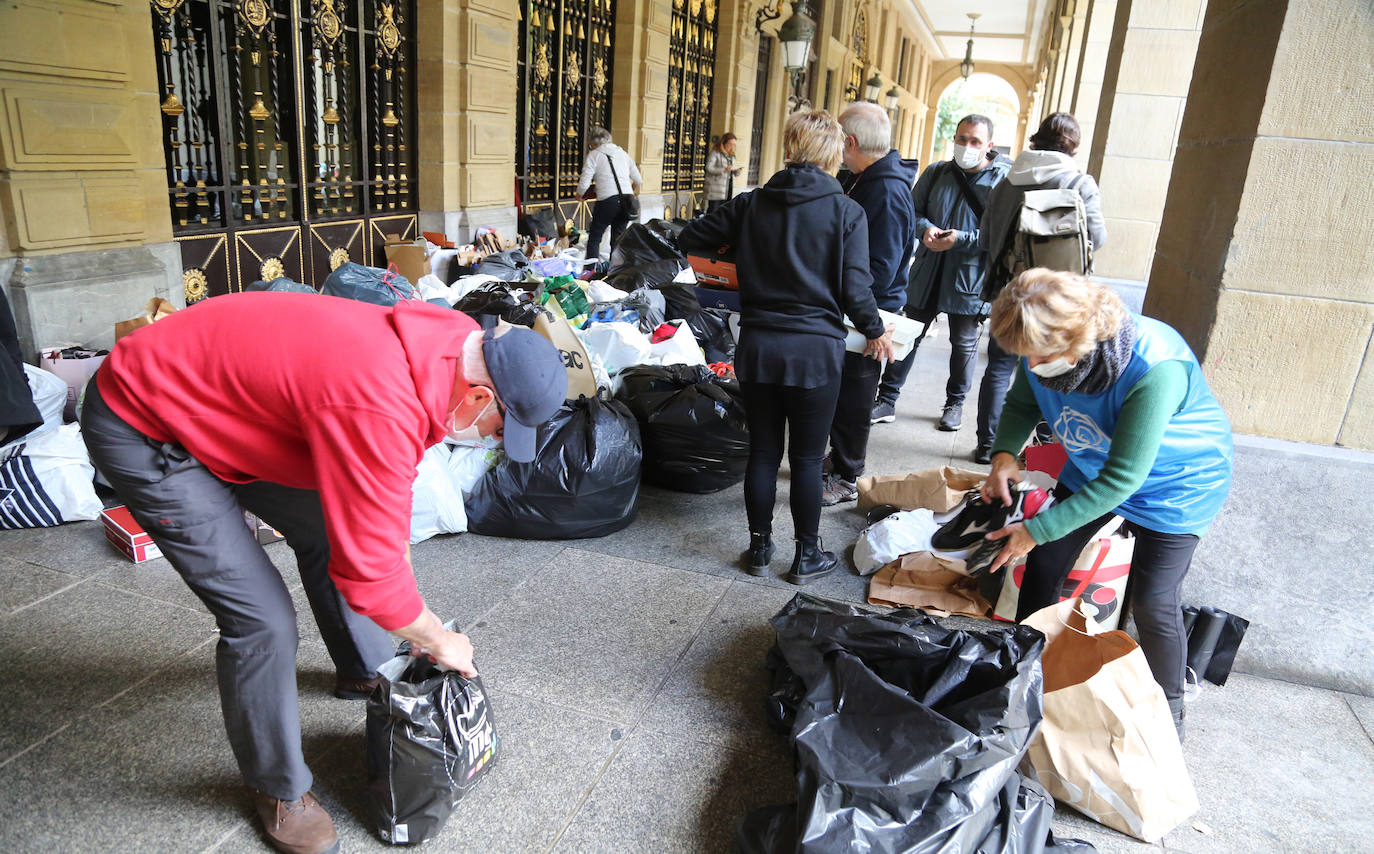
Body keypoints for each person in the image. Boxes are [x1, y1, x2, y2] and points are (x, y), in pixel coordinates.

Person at [80, 292, 567, 854]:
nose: (495, 442)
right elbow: (372, 572)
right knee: (262, 622)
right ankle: (278, 790)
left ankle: (364, 667)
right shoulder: (377, 401)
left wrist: (402, 600)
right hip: (146, 422)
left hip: (226, 408)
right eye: (502, 429)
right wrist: (438, 638)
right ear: (480, 394)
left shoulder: (451, 342)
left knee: (339, 532)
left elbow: (380, 517)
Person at [979, 269, 1232, 735]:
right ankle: (1023, 672)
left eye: (1041, 355)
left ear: (1080, 336)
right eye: (1024, 355)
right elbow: (1020, 404)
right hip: (1093, 463)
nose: (1030, 365)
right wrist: (1004, 457)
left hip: (1176, 485)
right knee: (1044, 562)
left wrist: (1035, 529)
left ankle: (1170, 712)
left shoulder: (1154, 368)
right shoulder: (1039, 346)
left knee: (1154, 601)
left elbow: (1122, 480)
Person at [677, 110, 894, 584]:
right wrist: (876, 331)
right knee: (808, 460)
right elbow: (857, 289)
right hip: (816, 353)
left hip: (757, 346)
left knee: (762, 452)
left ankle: (758, 549)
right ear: (835, 153)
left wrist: (740, 251)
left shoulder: (752, 204)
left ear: (791, 148)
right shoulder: (846, 213)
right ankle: (805, 556)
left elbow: (692, 237)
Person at [973, 112, 1107, 464]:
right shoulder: (1079, 183)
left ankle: (990, 444)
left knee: (1000, 368)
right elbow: (1099, 238)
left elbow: (986, 239)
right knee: (1054, 369)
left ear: (1036, 139)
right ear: (1073, 146)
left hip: (1010, 292)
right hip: (1058, 299)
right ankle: (1043, 450)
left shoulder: (1005, 183)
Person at [871, 114, 1011, 432]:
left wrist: (960, 239)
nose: (966, 146)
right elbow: (912, 211)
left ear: (989, 145)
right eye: (961, 139)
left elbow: (1001, 233)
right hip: (928, 271)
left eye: (975, 141)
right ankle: (887, 398)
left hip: (969, 277)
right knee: (909, 334)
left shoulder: (1002, 182)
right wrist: (926, 229)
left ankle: (954, 404)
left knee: (963, 342)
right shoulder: (937, 172)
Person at [820, 102, 917, 506]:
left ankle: (847, 474)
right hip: (860, 307)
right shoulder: (870, 179)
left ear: (852, 142)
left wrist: (868, 319)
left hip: (872, 311)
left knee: (857, 396)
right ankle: (839, 459)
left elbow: (879, 265)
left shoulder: (887, 189)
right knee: (844, 393)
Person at [575, 126, 643, 260]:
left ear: (593, 143)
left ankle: (591, 271)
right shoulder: (622, 153)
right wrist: (631, 189)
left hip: (607, 201)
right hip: (626, 201)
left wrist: (579, 194)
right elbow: (638, 179)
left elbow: (585, 181)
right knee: (617, 239)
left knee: (595, 237)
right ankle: (614, 271)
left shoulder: (594, 155)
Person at [704, 133, 743, 212]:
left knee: (723, 211)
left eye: (733, 144)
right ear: (724, 142)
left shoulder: (731, 155)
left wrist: (737, 171)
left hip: (727, 187)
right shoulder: (716, 153)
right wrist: (724, 169)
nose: (732, 146)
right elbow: (708, 167)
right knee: (713, 210)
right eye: (730, 144)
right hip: (716, 188)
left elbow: (732, 170)